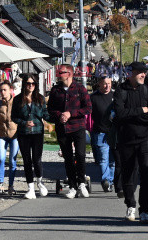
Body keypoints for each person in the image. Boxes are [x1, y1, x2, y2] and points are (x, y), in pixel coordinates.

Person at [113, 62, 148, 224]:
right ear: (130, 73)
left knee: (146, 175)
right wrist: (140, 110)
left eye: (144, 72)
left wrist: (131, 115)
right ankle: (130, 205)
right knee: (128, 174)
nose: (143, 75)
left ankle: (144, 210)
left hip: (145, 139)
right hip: (126, 140)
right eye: (139, 72)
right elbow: (120, 114)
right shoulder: (121, 91)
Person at [47, 64, 92, 199]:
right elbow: (50, 109)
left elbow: (88, 108)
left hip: (78, 126)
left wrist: (70, 113)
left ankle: (81, 183)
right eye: (59, 72)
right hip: (63, 128)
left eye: (62, 72)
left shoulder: (80, 89)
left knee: (80, 154)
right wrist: (60, 114)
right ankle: (72, 186)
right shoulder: (56, 90)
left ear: (70, 74)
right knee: (68, 157)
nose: (59, 74)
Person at [12, 74, 50, 199]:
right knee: (27, 160)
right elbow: (14, 117)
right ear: (24, 85)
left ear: (36, 85)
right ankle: (30, 188)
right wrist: (24, 122)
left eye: (33, 84)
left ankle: (39, 182)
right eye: (28, 84)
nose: (31, 86)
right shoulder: (17, 99)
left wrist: (57, 118)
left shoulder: (40, 99)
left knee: (36, 160)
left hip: (38, 132)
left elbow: (46, 114)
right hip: (23, 133)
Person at [0, 80, 19, 194]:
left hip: (14, 135)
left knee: (12, 161)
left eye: (5, 90)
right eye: (1, 90)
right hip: (1, 135)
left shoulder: (16, 103)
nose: (2, 92)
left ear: (10, 90)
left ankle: (11, 185)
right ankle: (0, 184)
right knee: (1, 159)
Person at [90, 74, 116, 193]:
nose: (107, 86)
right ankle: (105, 180)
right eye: (105, 84)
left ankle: (110, 181)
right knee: (103, 158)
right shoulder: (93, 97)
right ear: (99, 83)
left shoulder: (115, 96)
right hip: (100, 132)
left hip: (114, 132)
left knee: (113, 160)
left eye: (109, 84)